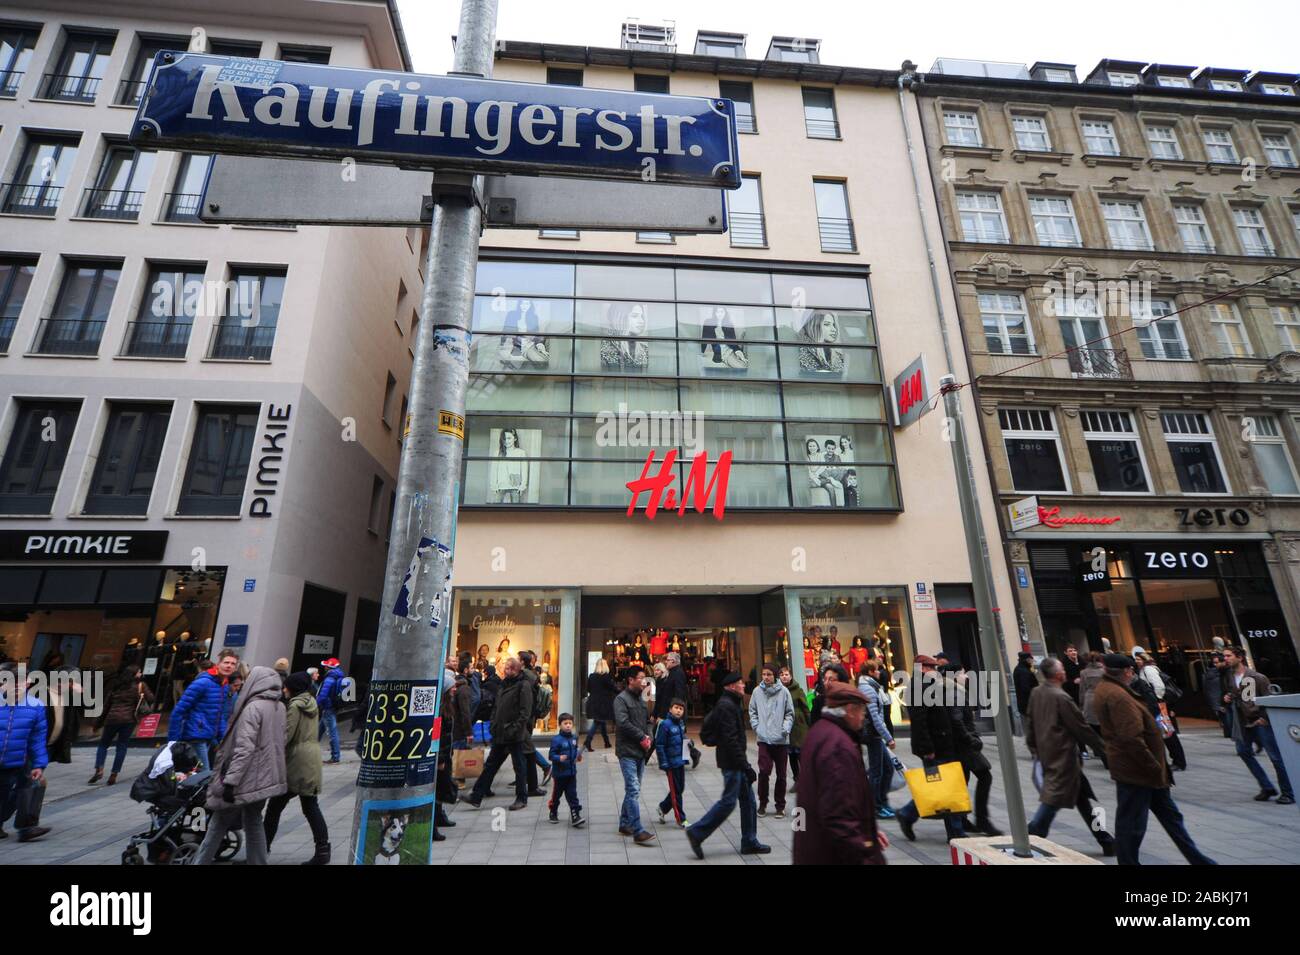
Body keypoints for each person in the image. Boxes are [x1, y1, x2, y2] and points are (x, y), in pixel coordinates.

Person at [1092, 653, 1215, 866]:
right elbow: (1131, 737)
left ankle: (1199, 860)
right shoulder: (1118, 696)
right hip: (1139, 771)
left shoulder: (1109, 689)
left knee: (1170, 818)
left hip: (1144, 771)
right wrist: (1153, 765)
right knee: (1132, 824)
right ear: (1128, 672)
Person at [193, 666, 287, 865]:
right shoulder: (279, 707)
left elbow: (244, 749)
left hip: (243, 778)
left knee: (217, 825)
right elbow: (280, 742)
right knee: (254, 822)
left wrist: (230, 781)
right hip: (264, 777)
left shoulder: (252, 708)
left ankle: (200, 862)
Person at [1024, 657, 1116, 856]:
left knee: (1082, 801)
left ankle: (1105, 840)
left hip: (1049, 754)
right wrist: (1105, 751)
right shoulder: (1061, 697)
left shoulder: (1036, 692)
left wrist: (1034, 750)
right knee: (1052, 800)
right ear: (1058, 675)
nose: (1065, 672)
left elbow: (1030, 725)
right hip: (1063, 758)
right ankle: (1032, 833)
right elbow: (1082, 729)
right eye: (1063, 669)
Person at [793, 683, 887, 865]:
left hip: (814, 847)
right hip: (831, 854)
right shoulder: (838, 746)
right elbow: (838, 816)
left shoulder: (819, 730)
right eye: (862, 712)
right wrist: (865, 853)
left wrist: (868, 831)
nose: (864, 717)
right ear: (850, 710)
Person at [686, 672, 769, 858]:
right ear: (731, 686)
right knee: (728, 802)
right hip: (732, 763)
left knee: (748, 801)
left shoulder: (730, 703)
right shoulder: (726, 706)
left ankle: (749, 841)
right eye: (740, 683)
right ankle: (697, 832)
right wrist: (745, 766)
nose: (743, 686)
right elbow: (731, 740)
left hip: (734, 761)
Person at [896, 655, 973, 843]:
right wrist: (927, 748)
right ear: (922, 668)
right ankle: (955, 831)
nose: (935, 670)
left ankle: (907, 814)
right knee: (945, 786)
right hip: (935, 746)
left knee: (939, 786)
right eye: (932, 667)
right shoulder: (918, 687)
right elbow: (919, 722)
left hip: (943, 743)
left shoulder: (930, 685)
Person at [263, 672, 331, 864]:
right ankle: (323, 850)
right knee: (310, 806)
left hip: (297, 760)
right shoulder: (311, 702)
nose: (283, 689)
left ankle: (261, 848)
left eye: (286, 686)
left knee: (275, 807)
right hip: (311, 757)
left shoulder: (294, 705)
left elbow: (286, 735)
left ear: (292, 688)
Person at [1222, 646, 1294, 804]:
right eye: (1225, 656)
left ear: (1240, 657)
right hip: (1243, 722)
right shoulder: (1229, 676)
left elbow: (1269, 699)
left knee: (1275, 757)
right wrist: (1229, 697)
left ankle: (1288, 792)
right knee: (1243, 751)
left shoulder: (1257, 677)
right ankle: (1266, 786)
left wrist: (1264, 717)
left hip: (1260, 722)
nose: (1225, 659)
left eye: (1228, 656)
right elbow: (1237, 694)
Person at [464, 656, 533, 810]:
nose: (503, 669)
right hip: (500, 732)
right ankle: (476, 795)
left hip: (513, 734)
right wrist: (494, 724)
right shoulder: (504, 684)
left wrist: (515, 728)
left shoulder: (523, 685)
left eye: (506, 667)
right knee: (491, 765)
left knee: (519, 766)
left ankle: (522, 798)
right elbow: (497, 706)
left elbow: (525, 712)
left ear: (514, 669)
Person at [0, 663, 51, 842]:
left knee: (28, 788)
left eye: (20, 682)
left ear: (28, 683)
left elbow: (38, 737)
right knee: (4, 793)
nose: (16, 685)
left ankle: (26, 828)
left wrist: (39, 764)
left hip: (22, 758)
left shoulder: (36, 705)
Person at [168, 650, 238, 772]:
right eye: (226, 662)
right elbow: (178, 711)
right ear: (218, 663)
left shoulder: (223, 685)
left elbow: (219, 714)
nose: (229, 666)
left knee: (199, 773)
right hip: (195, 735)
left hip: (208, 735)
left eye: (233, 664)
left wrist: (222, 737)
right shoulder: (203, 682)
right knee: (204, 773)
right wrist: (172, 742)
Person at [88, 665, 154, 786]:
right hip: (129, 720)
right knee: (122, 746)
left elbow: (106, 706)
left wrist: (97, 723)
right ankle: (114, 774)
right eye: (139, 672)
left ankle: (99, 768)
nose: (141, 674)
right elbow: (151, 698)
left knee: (103, 744)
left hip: (112, 719)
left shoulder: (116, 687)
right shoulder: (140, 686)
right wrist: (141, 696)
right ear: (134, 674)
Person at [613, 665, 656, 845]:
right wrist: (641, 737)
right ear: (631, 680)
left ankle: (624, 823)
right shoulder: (621, 700)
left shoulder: (641, 699)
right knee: (633, 789)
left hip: (640, 751)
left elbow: (647, 721)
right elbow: (622, 723)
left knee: (633, 788)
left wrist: (649, 738)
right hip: (627, 751)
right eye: (641, 677)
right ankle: (638, 830)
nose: (644, 681)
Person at [748, 663, 794, 818]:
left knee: (781, 775)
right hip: (764, 739)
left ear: (774, 676)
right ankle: (762, 803)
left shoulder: (784, 692)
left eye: (769, 674)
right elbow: (752, 711)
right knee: (763, 771)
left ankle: (780, 805)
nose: (766, 677)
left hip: (781, 740)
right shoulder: (756, 692)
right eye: (764, 674)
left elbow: (789, 713)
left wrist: (785, 729)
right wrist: (757, 727)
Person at [1131, 647, 1186, 772]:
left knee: (1168, 734)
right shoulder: (1145, 670)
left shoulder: (1148, 670)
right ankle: (1177, 760)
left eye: (1139, 659)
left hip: (1159, 707)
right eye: (1136, 659)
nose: (1137, 661)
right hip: (1158, 706)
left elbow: (1159, 687)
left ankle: (1179, 761)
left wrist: (1156, 700)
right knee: (1167, 734)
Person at [858, 659, 897, 818]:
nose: (879, 672)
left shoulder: (873, 687)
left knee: (887, 769)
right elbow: (875, 716)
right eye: (876, 670)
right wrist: (888, 737)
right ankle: (875, 806)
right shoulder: (868, 689)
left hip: (876, 735)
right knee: (877, 772)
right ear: (870, 673)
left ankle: (881, 802)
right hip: (873, 734)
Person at [655, 652, 701, 769]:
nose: (666, 662)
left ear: (674, 661)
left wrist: (677, 709)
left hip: (676, 710)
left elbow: (679, 693)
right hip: (671, 709)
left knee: (679, 734)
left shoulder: (678, 673)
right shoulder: (672, 673)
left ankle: (690, 756)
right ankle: (691, 754)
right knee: (678, 734)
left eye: (668, 660)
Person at [655, 697, 689, 827]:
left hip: (680, 761)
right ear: (670, 709)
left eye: (681, 709)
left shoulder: (680, 724)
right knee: (676, 791)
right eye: (676, 708)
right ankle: (681, 818)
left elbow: (682, 739)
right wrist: (663, 763)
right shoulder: (665, 724)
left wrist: (689, 745)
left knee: (680, 788)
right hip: (671, 763)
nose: (679, 711)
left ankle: (663, 808)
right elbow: (660, 745)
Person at [546, 712, 585, 827]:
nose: (568, 725)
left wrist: (577, 755)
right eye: (565, 723)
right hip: (559, 774)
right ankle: (553, 811)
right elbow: (551, 755)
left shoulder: (574, 738)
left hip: (571, 773)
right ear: (560, 725)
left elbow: (574, 749)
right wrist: (559, 758)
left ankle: (575, 816)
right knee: (556, 795)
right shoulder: (556, 740)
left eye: (570, 723)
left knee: (572, 795)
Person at [780, 666, 810, 784]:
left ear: (791, 676)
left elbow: (805, 708)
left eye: (786, 674)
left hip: (799, 724)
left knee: (801, 753)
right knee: (791, 755)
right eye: (782, 675)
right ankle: (797, 779)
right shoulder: (778, 691)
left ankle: (806, 780)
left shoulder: (798, 690)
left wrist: (809, 723)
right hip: (786, 727)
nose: (784, 676)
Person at [315, 657, 346, 764]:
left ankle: (335, 756)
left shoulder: (330, 678)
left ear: (329, 667)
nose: (324, 667)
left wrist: (315, 704)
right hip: (332, 706)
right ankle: (311, 752)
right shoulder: (339, 676)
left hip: (328, 708)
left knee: (332, 732)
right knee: (318, 731)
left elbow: (323, 695)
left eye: (326, 666)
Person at [584, 658, 616, 751]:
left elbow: (588, 689)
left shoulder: (592, 676)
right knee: (598, 721)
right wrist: (622, 691)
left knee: (601, 721)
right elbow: (612, 688)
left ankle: (607, 742)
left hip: (593, 701)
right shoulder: (606, 676)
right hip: (603, 703)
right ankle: (587, 741)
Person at [1203, 652, 1230, 738]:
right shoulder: (1217, 675)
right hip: (1222, 702)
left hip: (1221, 701)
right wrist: (1218, 705)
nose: (1215, 665)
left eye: (1217, 662)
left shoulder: (1217, 674)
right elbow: (1213, 691)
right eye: (1214, 663)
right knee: (1227, 719)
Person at [1013, 652, 1036, 718]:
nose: (1032, 661)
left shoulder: (1020, 669)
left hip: (1025, 704)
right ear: (1027, 660)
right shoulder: (1023, 671)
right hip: (1029, 704)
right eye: (1031, 659)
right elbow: (1026, 688)